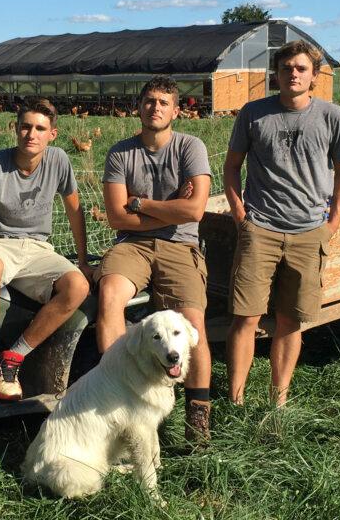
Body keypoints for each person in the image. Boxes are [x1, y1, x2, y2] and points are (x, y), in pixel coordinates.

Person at [223, 39, 340, 408]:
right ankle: (236, 400)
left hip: (308, 231)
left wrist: (332, 223)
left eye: (301, 69)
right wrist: (240, 215)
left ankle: (278, 400)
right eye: (286, 69)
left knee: (290, 320)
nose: (293, 74)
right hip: (260, 228)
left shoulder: (332, 116)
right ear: (275, 75)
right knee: (245, 317)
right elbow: (232, 167)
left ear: (313, 76)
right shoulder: (253, 113)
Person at [0, 99, 91, 413]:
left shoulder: (59, 161)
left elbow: (75, 210)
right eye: (25, 126)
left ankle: (13, 359)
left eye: (40, 128)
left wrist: (83, 260)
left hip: (36, 247)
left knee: (78, 287)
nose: (31, 134)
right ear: (15, 128)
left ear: (52, 134)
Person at [94, 75, 214, 444]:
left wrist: (140, 202)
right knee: (110, 294)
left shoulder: (190, 147)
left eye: (164, 102)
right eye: (149, 101)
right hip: (133, 244)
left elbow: (194, 211)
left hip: (180, 246)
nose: (155, 107)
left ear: (176, 110)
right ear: (139, 107)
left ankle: (197, 417)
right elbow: (116, 217)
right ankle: (122, 393)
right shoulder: (120, 152)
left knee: (192, 322)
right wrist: (171, 207)